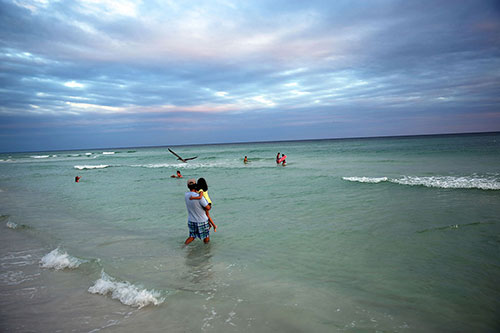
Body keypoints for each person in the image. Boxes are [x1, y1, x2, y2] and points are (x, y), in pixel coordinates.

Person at [184, 179, 211, 245]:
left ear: (188, 186)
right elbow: (208, 207)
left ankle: (183, 247)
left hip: (191, 220)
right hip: (202, 220)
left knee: (192, 237)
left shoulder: (186, 195)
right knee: (206, 237)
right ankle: (207, 252)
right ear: (196, 185)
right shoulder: (199, 197)